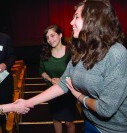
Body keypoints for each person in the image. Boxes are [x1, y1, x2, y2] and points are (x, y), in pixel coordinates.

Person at [16, 0, 127, 133]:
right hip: (90, 123)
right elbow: (62, 84)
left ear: (93, 19)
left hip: (114, 129)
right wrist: (28, 102)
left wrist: (79, 97)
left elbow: (105, 109)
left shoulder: (116, 53)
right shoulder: (81, 50)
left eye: (76, 17)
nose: (71, 22)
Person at [39, 24, 78, 133]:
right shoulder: (45, 54)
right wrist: (50, 79)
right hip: (52, 93)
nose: (50, 40)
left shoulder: (71, 52)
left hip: (68, 93)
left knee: (69, 122)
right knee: (56, 120)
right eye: (47, 38)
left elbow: (77, 72)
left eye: (52, 35)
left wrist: (62, 80)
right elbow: (41, 71)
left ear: (60, 35)